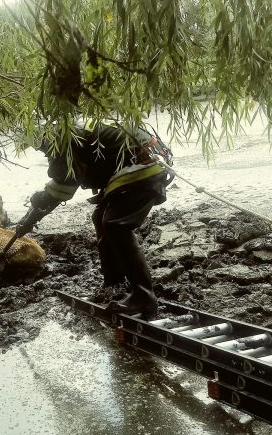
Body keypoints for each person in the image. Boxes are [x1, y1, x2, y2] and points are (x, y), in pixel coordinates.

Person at [15, 118, 173, 319]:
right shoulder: (68, 130)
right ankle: (113, 282)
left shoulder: (63, 139)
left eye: (38, 146)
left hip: (146, 165)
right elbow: (64, 182)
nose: (41, 151)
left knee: (116, 225)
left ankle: (144, 296)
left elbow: (63, 187)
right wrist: (34, 212)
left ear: (42, 136)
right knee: (100, 217)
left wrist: (33, 216)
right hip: (142, 162)